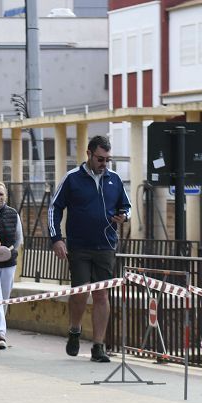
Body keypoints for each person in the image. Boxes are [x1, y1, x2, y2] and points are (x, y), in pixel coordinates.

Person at [48, 135, 131, 363]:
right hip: (79, 246)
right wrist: (56, 239)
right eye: (100, 159)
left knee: (102, 294)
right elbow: (54, 208)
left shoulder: (114, 179)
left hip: (106, 246)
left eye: (107, 159)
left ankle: (98, 345)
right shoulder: (72, 178)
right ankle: (75, 330)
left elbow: (127, 206)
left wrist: (124, 216)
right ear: (89, 154)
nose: (104, 164)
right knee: (80, 292)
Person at [0, 182, 23, 350]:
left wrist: (12, 250)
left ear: (6, 196)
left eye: (1, 194)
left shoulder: (13, 214)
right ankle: (0, 333)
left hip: (9, 263)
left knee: (4, 298)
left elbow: (18, 238)